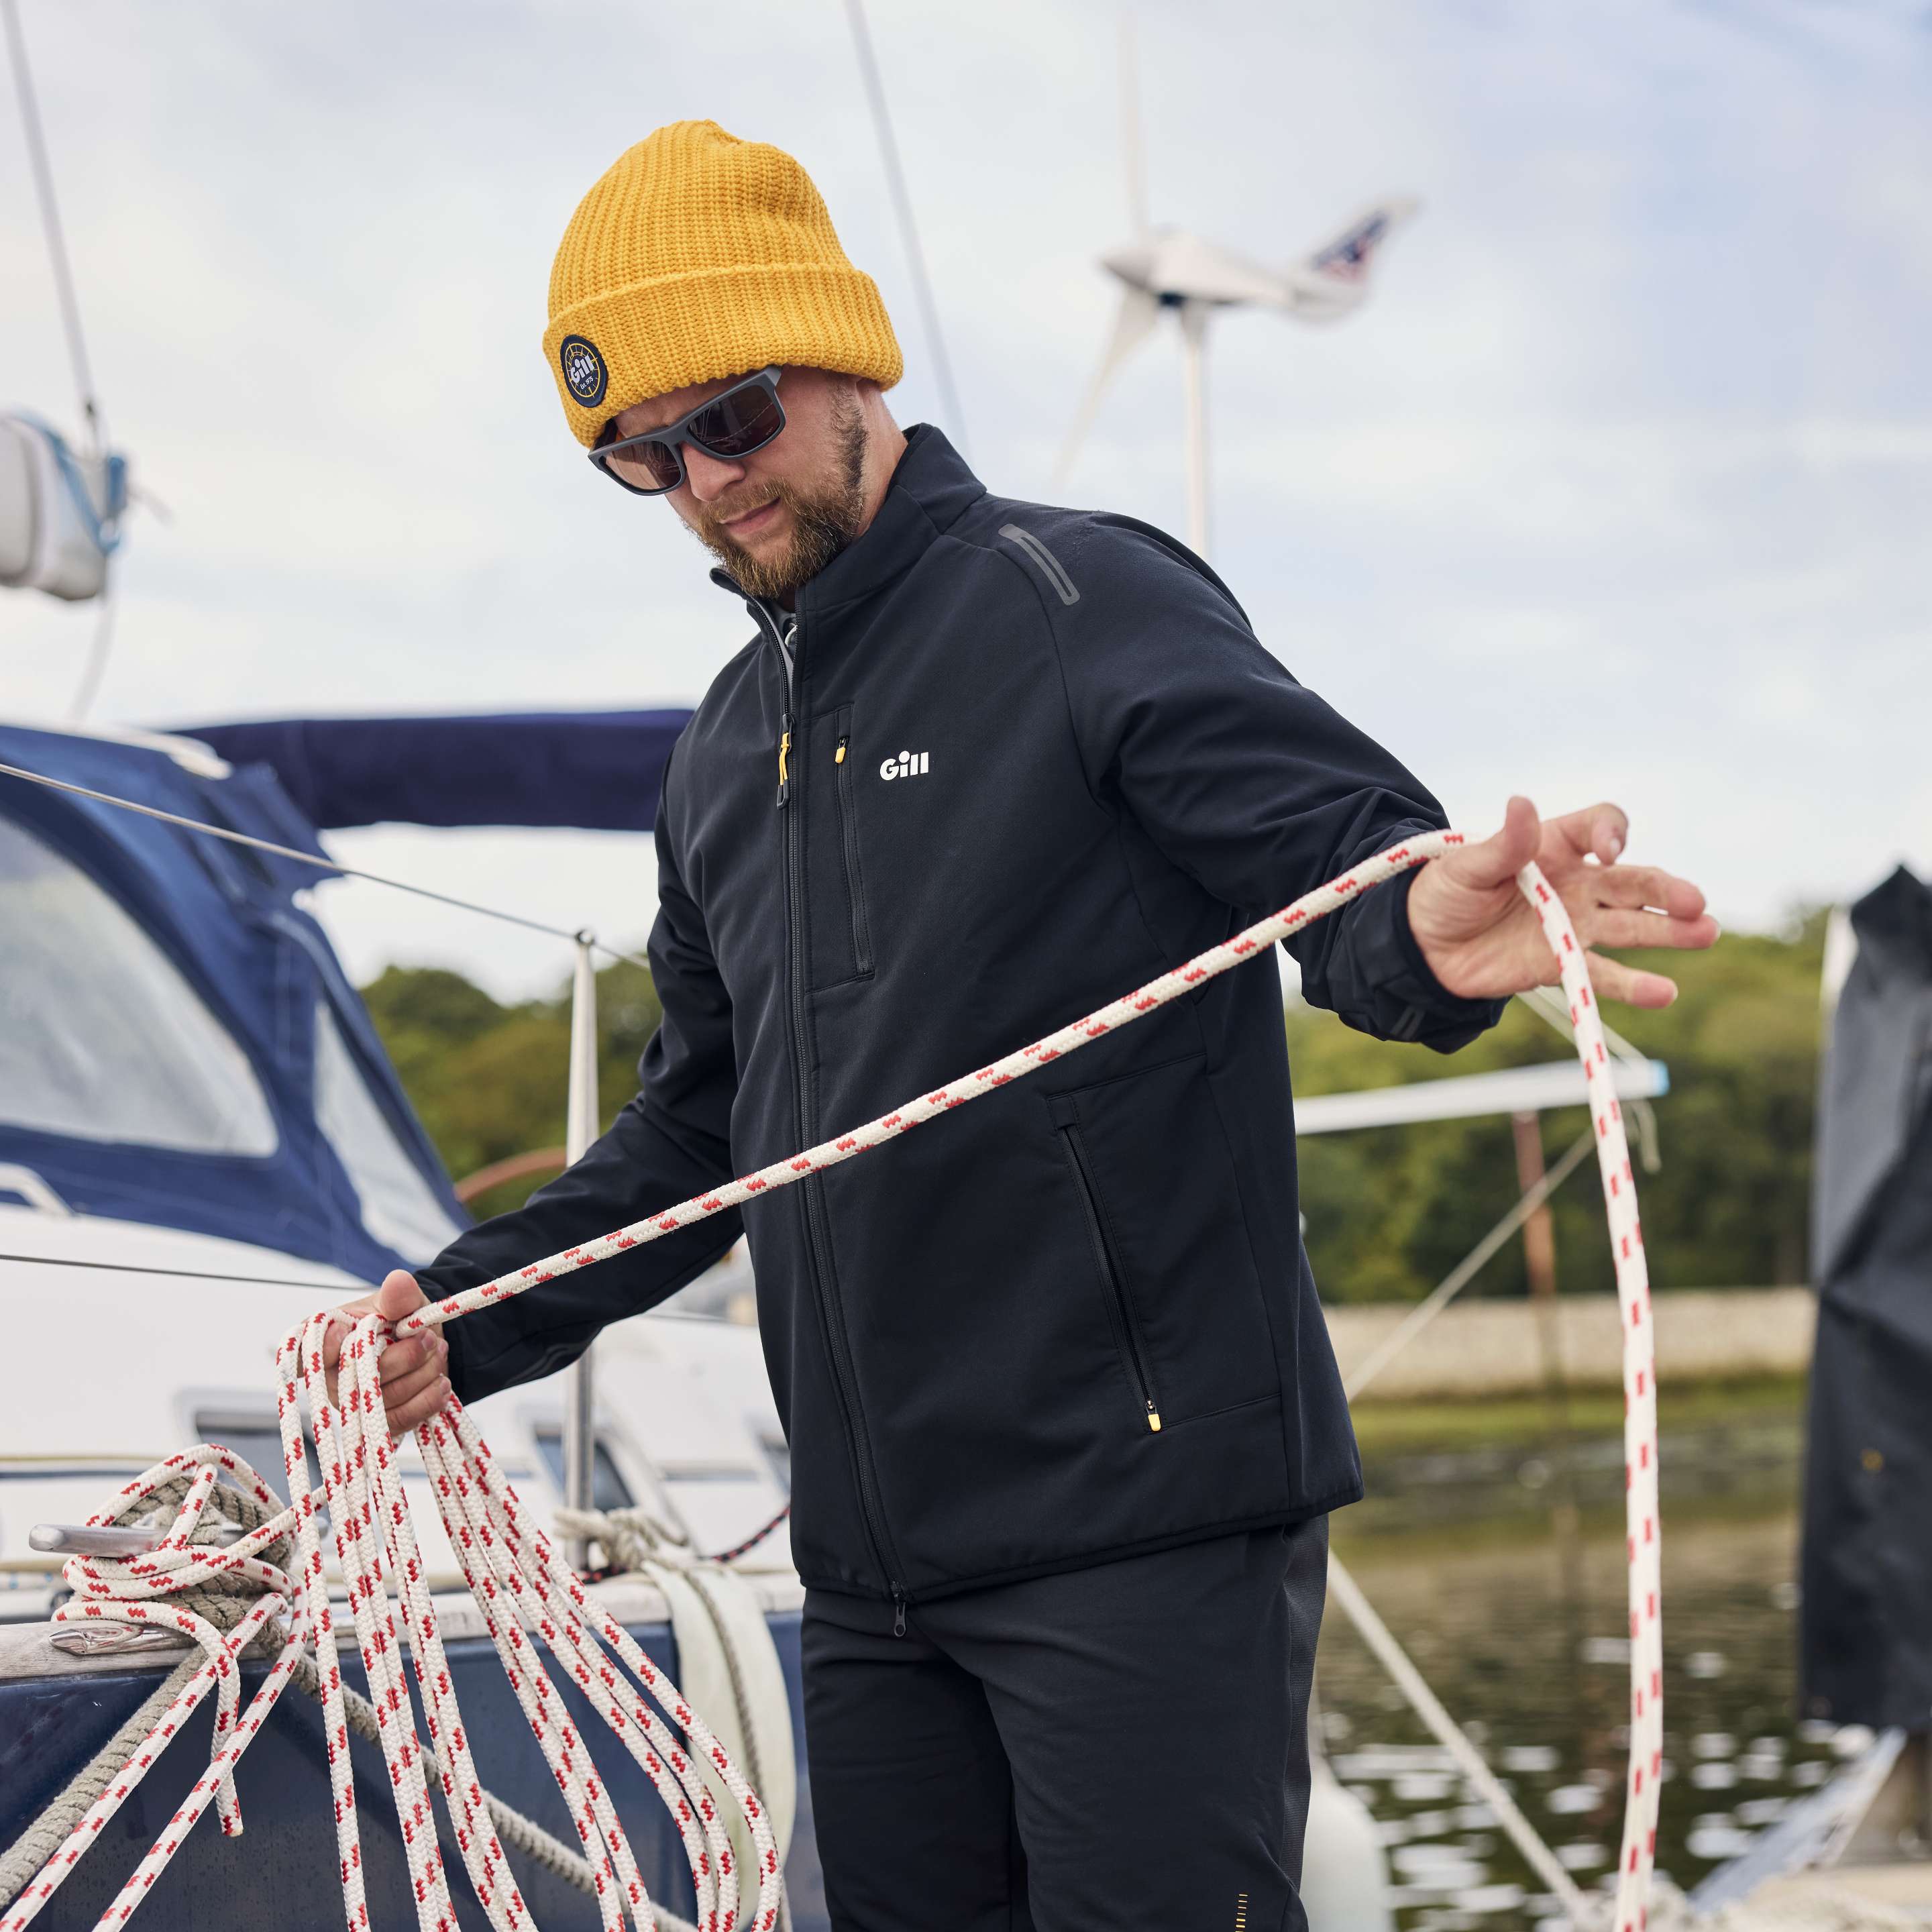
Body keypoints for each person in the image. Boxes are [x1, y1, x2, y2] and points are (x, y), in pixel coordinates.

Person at [326, 120, 1717, 1931]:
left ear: (846, 360)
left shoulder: (1080, 601)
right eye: (643, 457)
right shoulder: (720, 754)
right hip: (871, 1578)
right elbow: (700, 1130)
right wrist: (466, 1319)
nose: (706, 483)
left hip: (1141, 1531)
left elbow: (1332, 863)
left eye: (732, 416)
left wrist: (1419, 930)